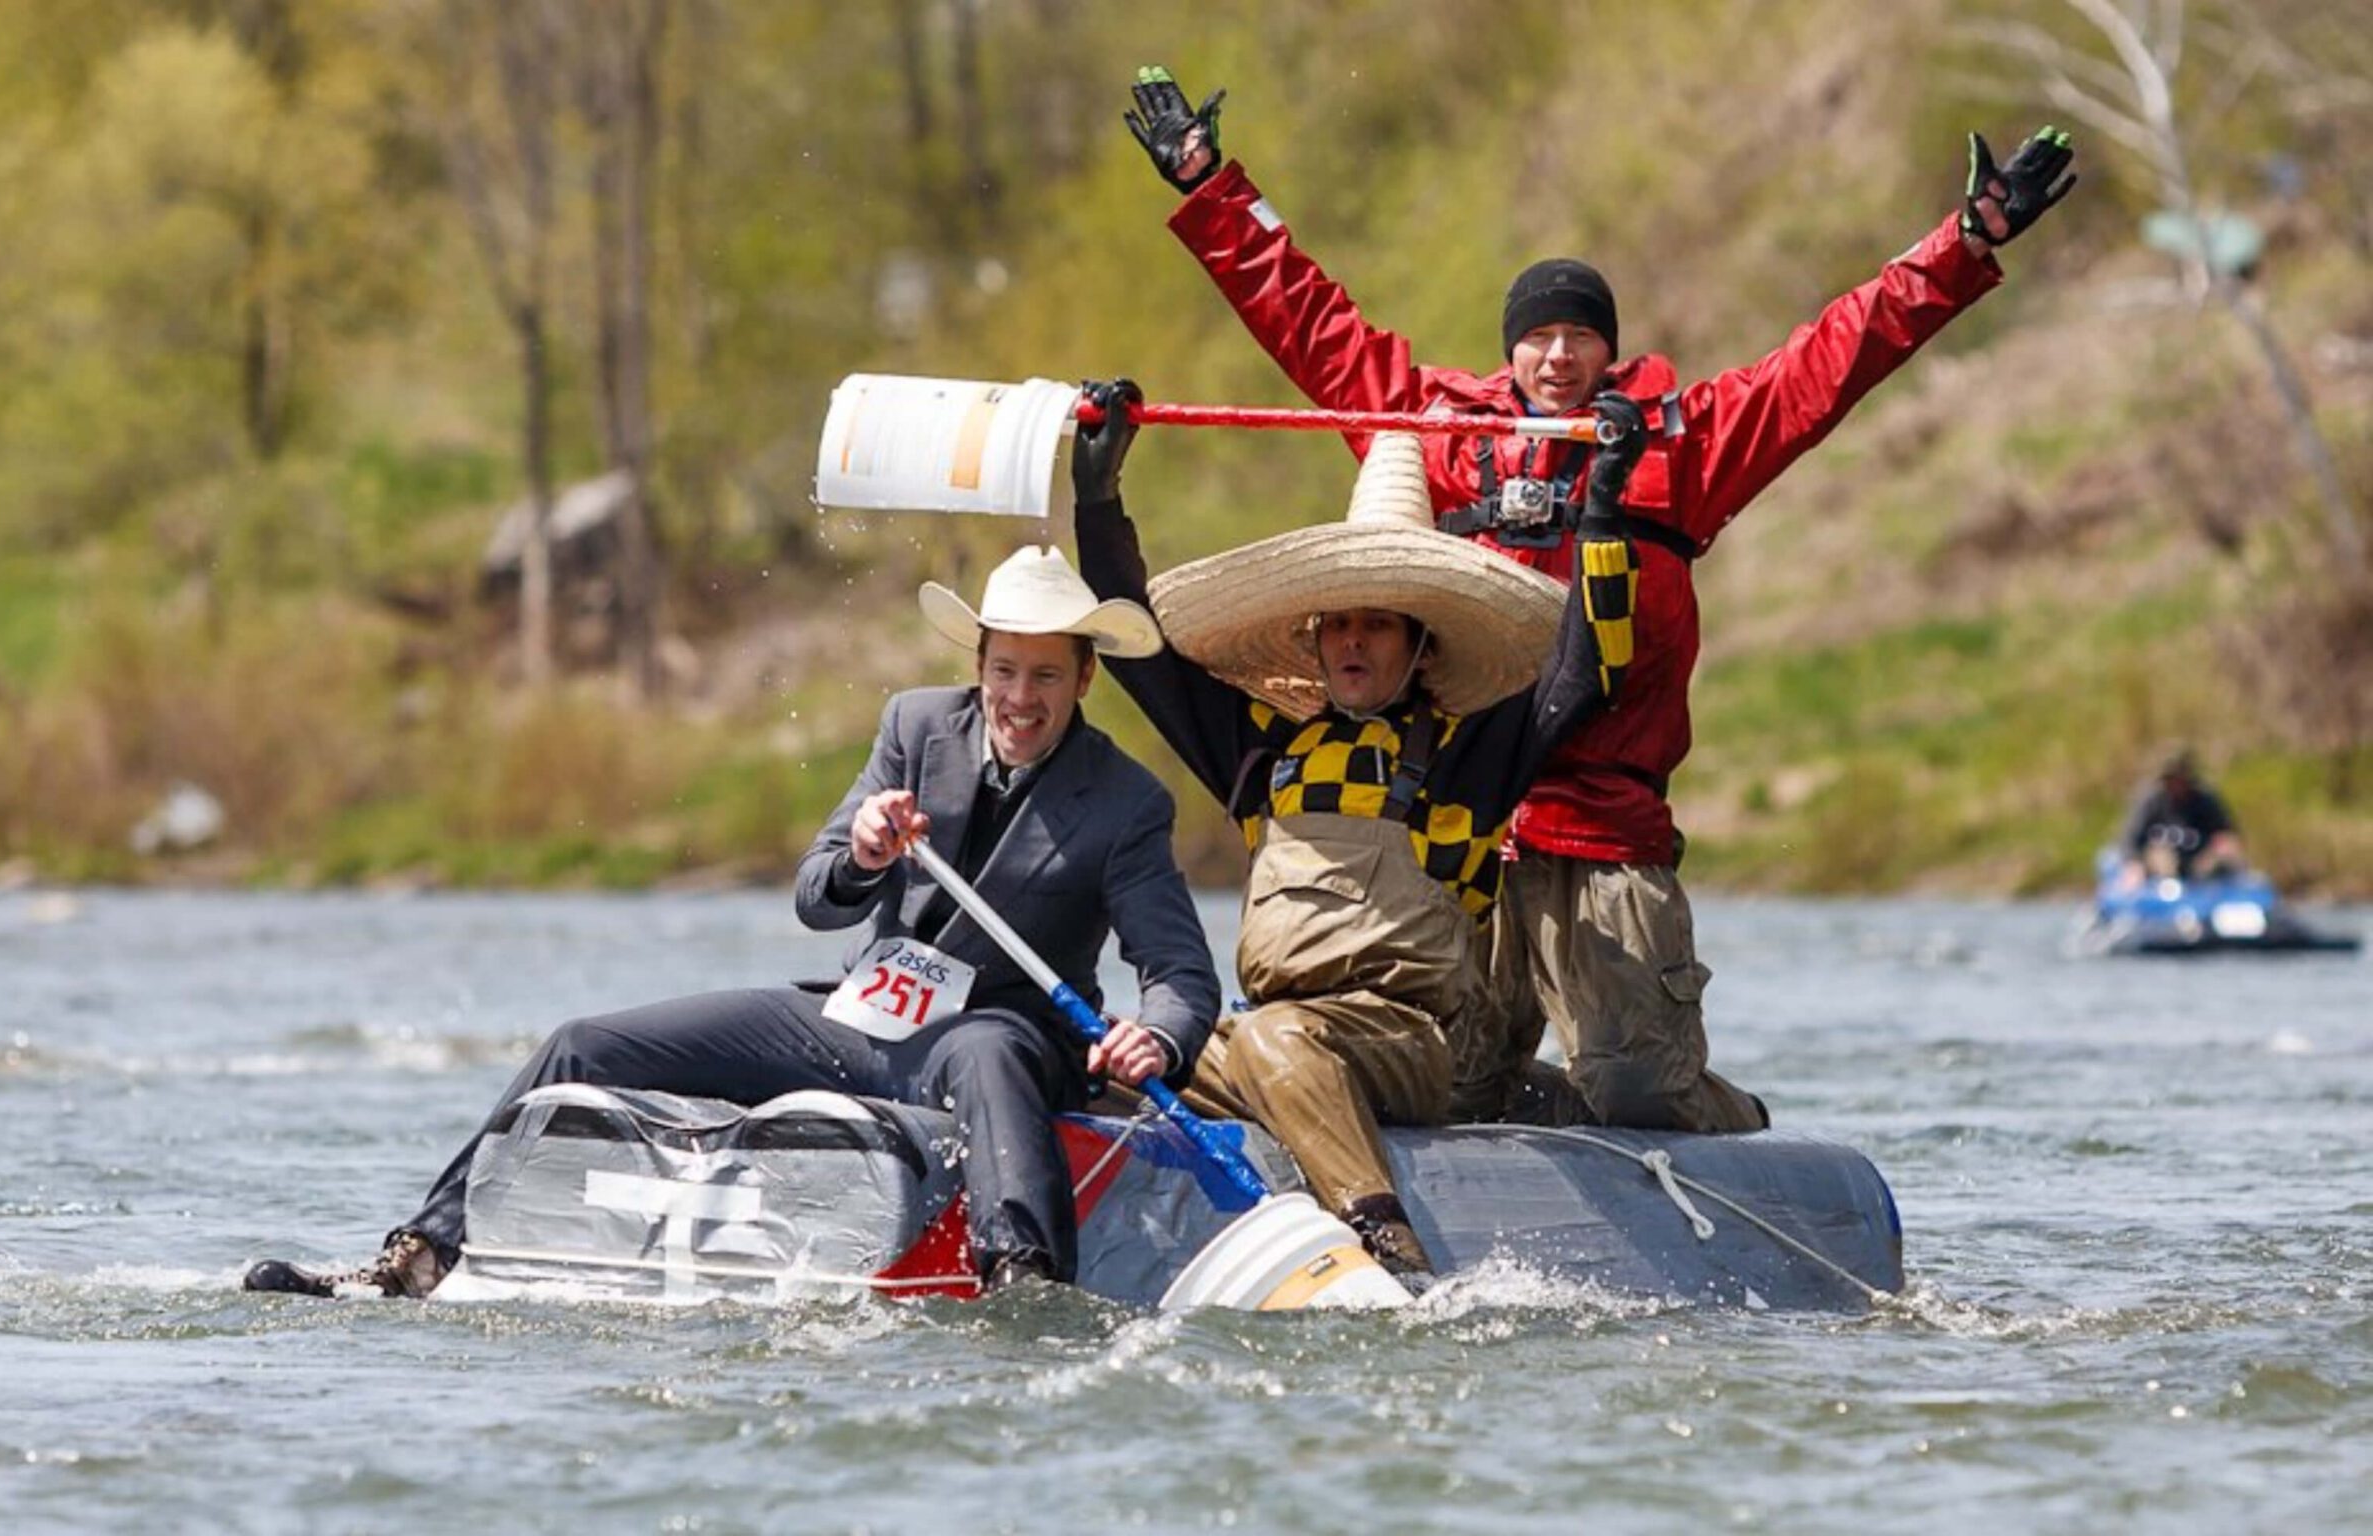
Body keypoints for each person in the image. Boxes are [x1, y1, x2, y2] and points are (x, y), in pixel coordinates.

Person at [1121, 67, 2080, 1134]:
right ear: (1509, 350)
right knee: (1454, 1089)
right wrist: (1210, 189)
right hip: (1466, 829)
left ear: (1606, 351)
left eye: (1578, 336)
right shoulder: (1440, 431)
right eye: (1537, 336)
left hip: (1607, 826)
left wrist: (1964, 243)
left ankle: (1733, 1131)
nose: (1557, 354)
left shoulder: (1683, 444)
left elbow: (1831, 360)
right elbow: (1310, 322)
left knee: (1635, 1088)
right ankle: (1525, 1143)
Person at [244, 548, 1221, 1297]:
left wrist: (1157, 1037)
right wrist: (866, 854)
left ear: (1084, 680)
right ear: (978, 664)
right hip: (859, 1020)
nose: (1020, 700)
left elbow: (1179, 974)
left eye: (1045, 678)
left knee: (989, 1057)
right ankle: (417, 1255)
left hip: (998, 1034)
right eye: (1004, 672)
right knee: (581, 1043)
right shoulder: (916, 728)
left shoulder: (1124, 801)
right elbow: (814, 894)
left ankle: (1022, 1282)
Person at [1071, 377, 1642, 1274]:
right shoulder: (1260, 748)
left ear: (1420, 643)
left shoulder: (1471, 750)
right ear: (1314, 637)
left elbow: (1591, 665)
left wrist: (1604, 510)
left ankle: (1382, 1243)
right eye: (1339, 622)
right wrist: (1097, 497)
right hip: (1278, 1033)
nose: (1353, 642)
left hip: (1415, 1044)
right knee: (1109, 1055)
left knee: (1273, 1036)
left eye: (1377, 624)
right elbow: (1131, 640)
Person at [2114, 749, 2245, 885]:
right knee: (2162, 859)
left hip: (2198, 865)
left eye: (2181, 778)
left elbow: (2226, 835)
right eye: (2172, 779)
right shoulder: (2151, 801)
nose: (2177, 784)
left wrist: (2222, 848)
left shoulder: (2205, 800)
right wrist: (2134, 864)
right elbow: (2129, 841)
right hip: (2160, 867)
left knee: (2220, 863)